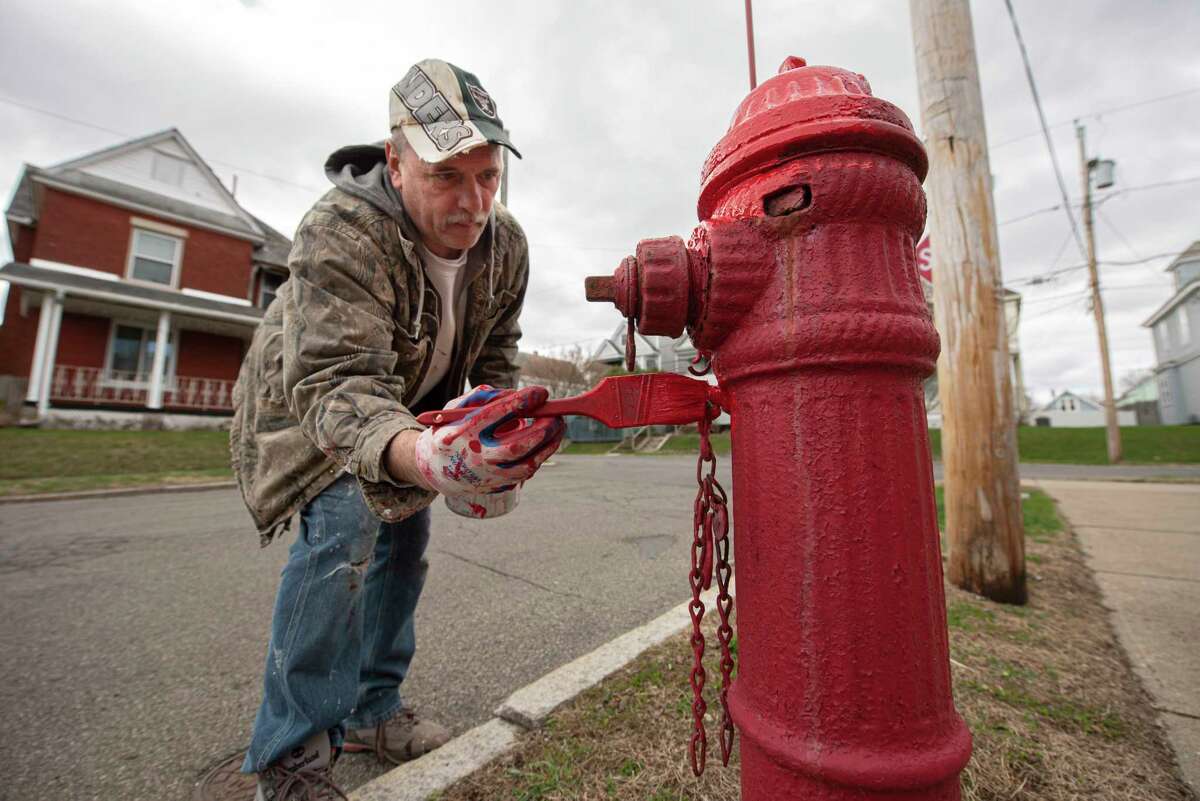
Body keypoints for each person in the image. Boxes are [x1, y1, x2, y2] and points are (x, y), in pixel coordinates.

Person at [195, 59, 564, 801]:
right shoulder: (339, 232)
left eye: (488, 175)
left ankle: (372, 708)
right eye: (447, 176)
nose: (473, 202)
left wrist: (499, 429)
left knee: (406, 542)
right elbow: (339, 384)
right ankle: (290, 750)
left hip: (406, 407)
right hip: (309, 407)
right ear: (394, 163)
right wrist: (424, 452)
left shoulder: (506, 247)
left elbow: (495, 352)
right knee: (344, 529)